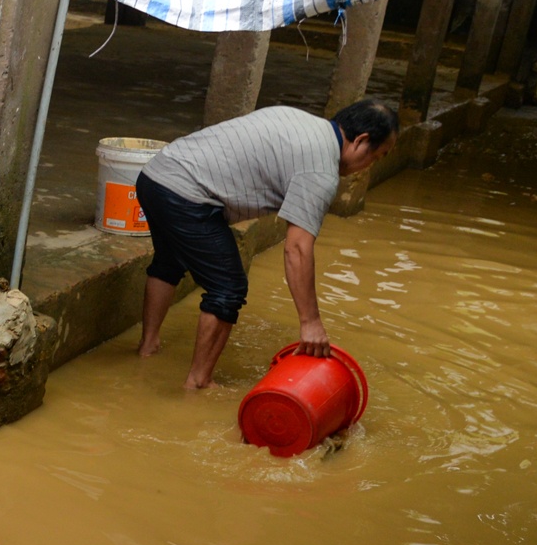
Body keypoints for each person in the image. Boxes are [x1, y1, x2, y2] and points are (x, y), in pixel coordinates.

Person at [134, 98, 399, 389]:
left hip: (155, 175)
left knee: (169, 262)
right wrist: (310, 322)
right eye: (376, 157)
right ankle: (197, 384)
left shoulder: (300, 120)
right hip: (186, 194)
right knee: (228, 288)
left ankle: (148, 348)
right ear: (361, 141)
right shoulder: (320, 170)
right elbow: (297, 248)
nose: (367, 167)